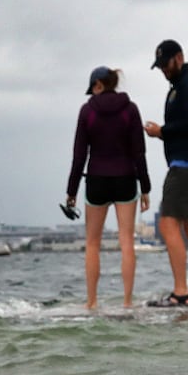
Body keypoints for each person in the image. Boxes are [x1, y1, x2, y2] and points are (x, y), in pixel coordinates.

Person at [65, 66, 152, 309]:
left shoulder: (87, 112)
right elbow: (139, 153)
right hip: (126, 178)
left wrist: (71, 191)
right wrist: (145, 188)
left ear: (98, 85)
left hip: (97, 181)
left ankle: (91, 302)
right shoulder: (131, 110)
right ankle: (127, 302)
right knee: (126, 240)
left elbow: (79, 156)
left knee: (93, 243)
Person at [143, 39, 188, 307]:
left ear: (179, 58)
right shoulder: (183, 86)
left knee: (167, 223)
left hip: (187, 166)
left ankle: (181, 292)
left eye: (165, 64)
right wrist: (163, 135)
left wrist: (163, 131)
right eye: (159, 67)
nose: (163, 70)